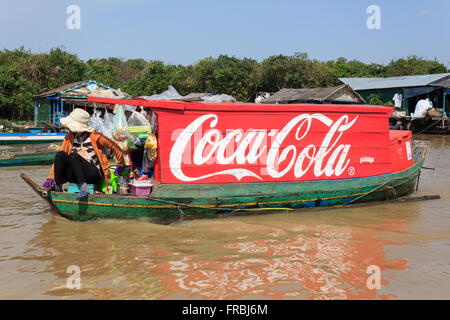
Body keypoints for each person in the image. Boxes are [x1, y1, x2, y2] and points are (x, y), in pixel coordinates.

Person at [43, 108, 126, 199]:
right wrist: (51, 177)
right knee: (60, 155)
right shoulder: (69, 138)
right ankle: (58, 187)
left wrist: (121, 164)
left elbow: (114, 146)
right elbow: (59, 160)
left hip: (93, 174)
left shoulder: (95, 137)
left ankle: (84, 188)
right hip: (75, 174)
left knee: (74, 156)